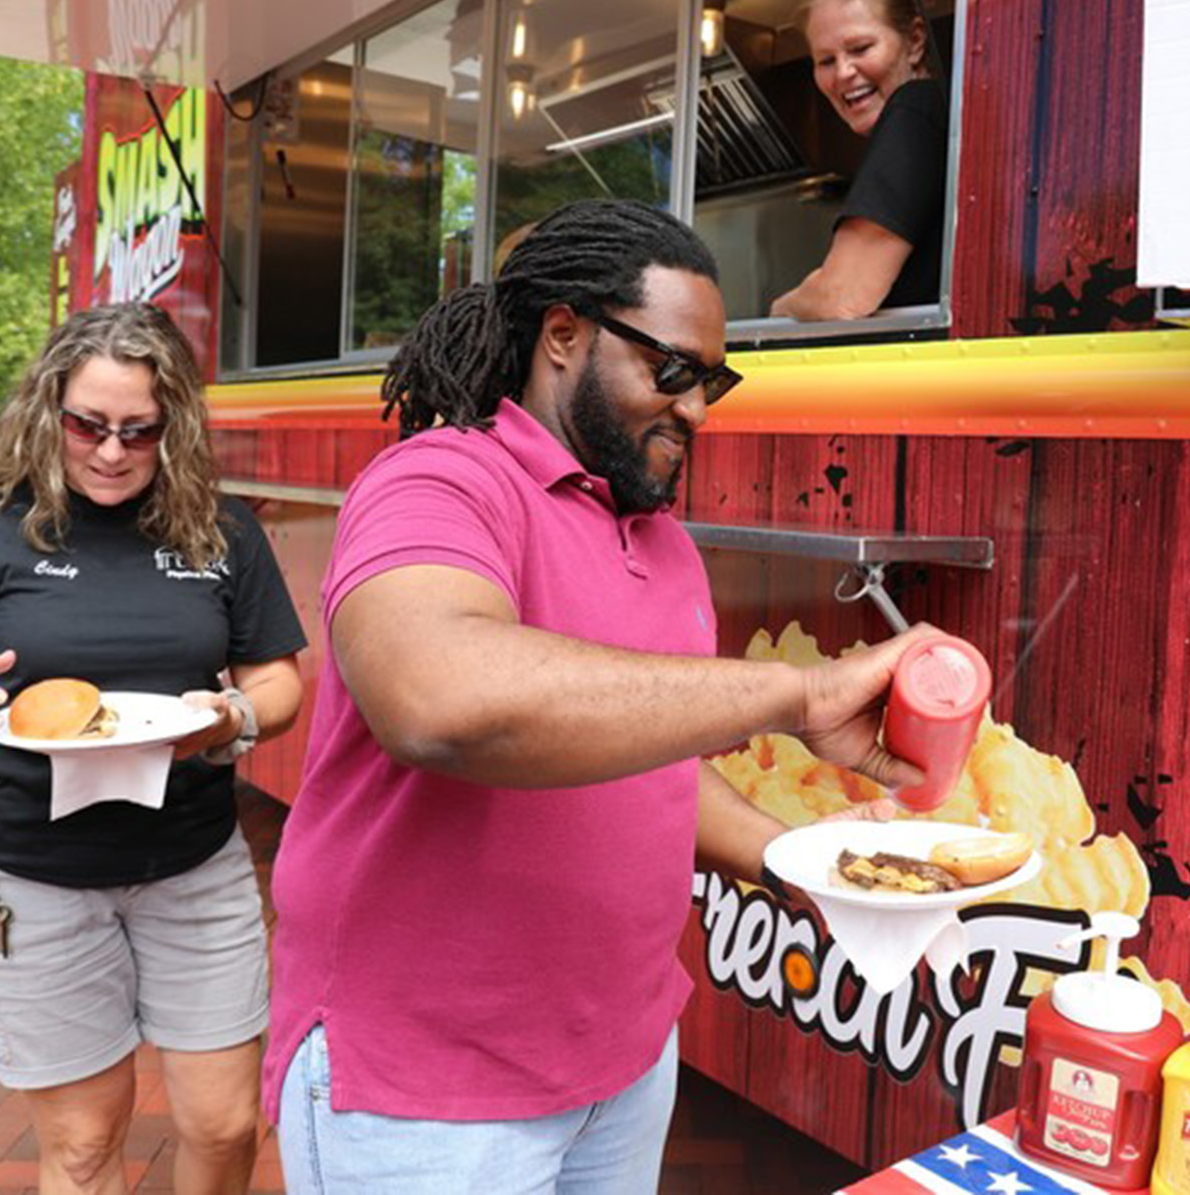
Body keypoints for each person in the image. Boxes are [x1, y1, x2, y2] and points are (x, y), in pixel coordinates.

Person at [265, 197, 943, 1193]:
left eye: (715, 380)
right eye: (672, 370)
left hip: (620, 1065)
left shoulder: (662, 539)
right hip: (428, 1092)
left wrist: (812, 861)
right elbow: (438, 699)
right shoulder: (440, 481)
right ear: (565, 335)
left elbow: (645, 765)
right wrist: (795, 696)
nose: (699, 409)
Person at [0, 302, 307, 1195]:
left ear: (172, 427)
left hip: (192, 869)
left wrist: (232, 722)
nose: (110, 452)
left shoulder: (221, 532)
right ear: (47, 410)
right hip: (29, 879)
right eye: (87, 425)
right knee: (83, 1144)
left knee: (223, 1126)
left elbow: (280, 685)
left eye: (139, 432)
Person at [771, 0, 948, 320]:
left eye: (860, 48)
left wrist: (782, 308)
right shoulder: (941, 114)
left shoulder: (915, 106)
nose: (843, 73)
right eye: (825, 61)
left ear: (914, 41)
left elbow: (842, 297)